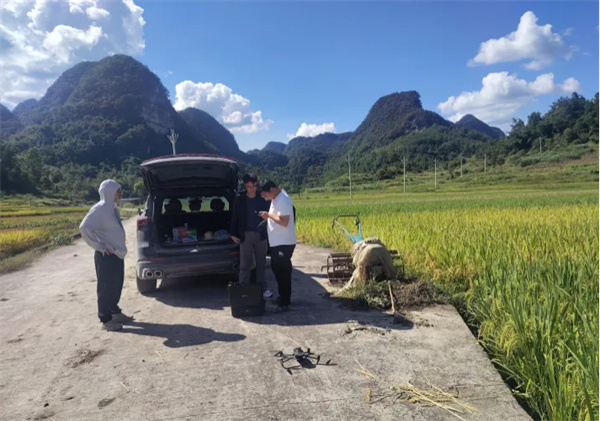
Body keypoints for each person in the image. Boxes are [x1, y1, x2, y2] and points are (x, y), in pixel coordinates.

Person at [79, 179, 133, 331]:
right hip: (106, 255)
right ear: (110, 192)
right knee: (105, 287)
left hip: (116, 253)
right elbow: (84, 228)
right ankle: (106, 319)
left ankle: (114, 312)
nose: (120, 194)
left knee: (116, 285)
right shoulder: (100, 209)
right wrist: (99, 246)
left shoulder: (112, 208)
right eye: (117, 191)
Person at [230, 174, 271, 298]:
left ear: (256, 185)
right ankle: (244, 289)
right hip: (246, 235)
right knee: (245, 265)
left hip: (261, 235)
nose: (252, 189)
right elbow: (235, 217)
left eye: (254, 186)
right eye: (249, 186)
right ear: (245, 186)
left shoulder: (262, 198)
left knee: (261, 264)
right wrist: (233, 233)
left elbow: (271, 214)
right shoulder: (240, 200)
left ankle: (261, 288)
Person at [259, 180, 296, 311]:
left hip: (284, 243)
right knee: (277, 271)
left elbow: (284, 221)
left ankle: (285, 301)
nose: (265, 198)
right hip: (277, 243)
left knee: (283, 272)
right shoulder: (276, 199)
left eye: (265, 195)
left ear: (271, 190)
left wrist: (268, 215)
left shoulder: (283, 200)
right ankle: (282, 297)